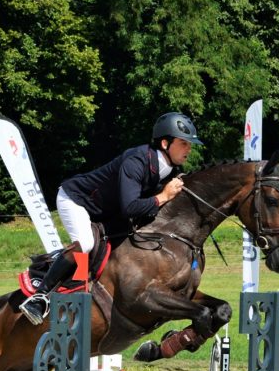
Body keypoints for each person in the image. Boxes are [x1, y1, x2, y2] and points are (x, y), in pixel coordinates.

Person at [19, 112, 203, 324]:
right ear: (165, 143)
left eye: (189, 144)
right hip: (77, 200)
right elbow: (131, 207)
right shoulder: (137, 161)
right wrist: (162, 196)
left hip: (106, 211)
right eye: (183, 143)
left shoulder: (170, 169)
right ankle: (39, 297)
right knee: (86, 244)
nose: (189, 148)